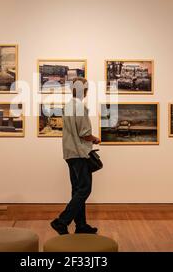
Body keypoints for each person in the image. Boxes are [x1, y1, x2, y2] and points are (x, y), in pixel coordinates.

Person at [50, 77, 101, 235]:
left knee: (77, 190)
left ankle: (81, 225)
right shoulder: (80, 107)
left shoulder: (68, 106)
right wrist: (96, 139)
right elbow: (85, 134)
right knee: (84, 189)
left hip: (69, 153)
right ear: (85, 90)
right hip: (80, 154)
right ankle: (61, 221)